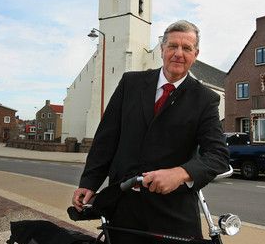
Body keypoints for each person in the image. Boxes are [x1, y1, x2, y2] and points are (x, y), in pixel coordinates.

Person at [72, 20, 229, 243]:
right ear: (163, 49)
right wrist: (89, 183)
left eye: (186, 48)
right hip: (123, 208)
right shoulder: (130, 83)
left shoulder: (205, 99)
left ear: (196, 54)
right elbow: (106, 139)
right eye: (172, 46)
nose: (178, 53)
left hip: (173, 213)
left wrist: (180, 173)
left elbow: (218, 156)